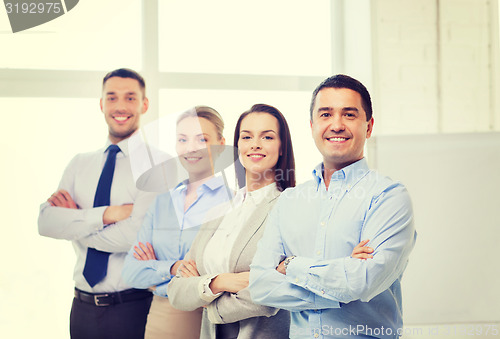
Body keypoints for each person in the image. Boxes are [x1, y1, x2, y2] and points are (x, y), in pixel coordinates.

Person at [249, 75, 417, 339]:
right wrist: (341, 275)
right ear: (313, 124)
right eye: (326, 114)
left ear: (369, 126)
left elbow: (363, 282)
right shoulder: (289, 201)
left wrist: (291, 265)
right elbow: (260, 286)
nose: (336, 125)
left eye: (349, 115)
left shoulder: (388, 197)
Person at [38, 68, 157, 339]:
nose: (120, 106)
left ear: (144, 104)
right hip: (81, 309)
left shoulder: (156, 164)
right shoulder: (80, 164)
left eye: (130, 97)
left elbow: (136, 236)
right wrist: (109, 214)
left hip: (132, 308)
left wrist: (75, 223)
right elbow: (45, 222)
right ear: (102, 104)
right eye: (112, 98)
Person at [167, 104, 295, 338]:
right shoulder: (219, 210)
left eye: (267, 136)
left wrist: (208, 302)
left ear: (281, 147)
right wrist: (220, 282)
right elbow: (176, 291)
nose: (255, 144)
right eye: (247, 137)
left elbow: (273, 293)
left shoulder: (289, 207)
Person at [122, 106, 232, 339]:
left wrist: (154, 274)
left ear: (221, 144)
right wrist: (174, 268)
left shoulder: (233, 203)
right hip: (159, 319)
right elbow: (131, 271)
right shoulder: (162, 202)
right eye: (182, 139)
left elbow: (224, 275)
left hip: (208, 321)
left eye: (202, 139)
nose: (191, 147)